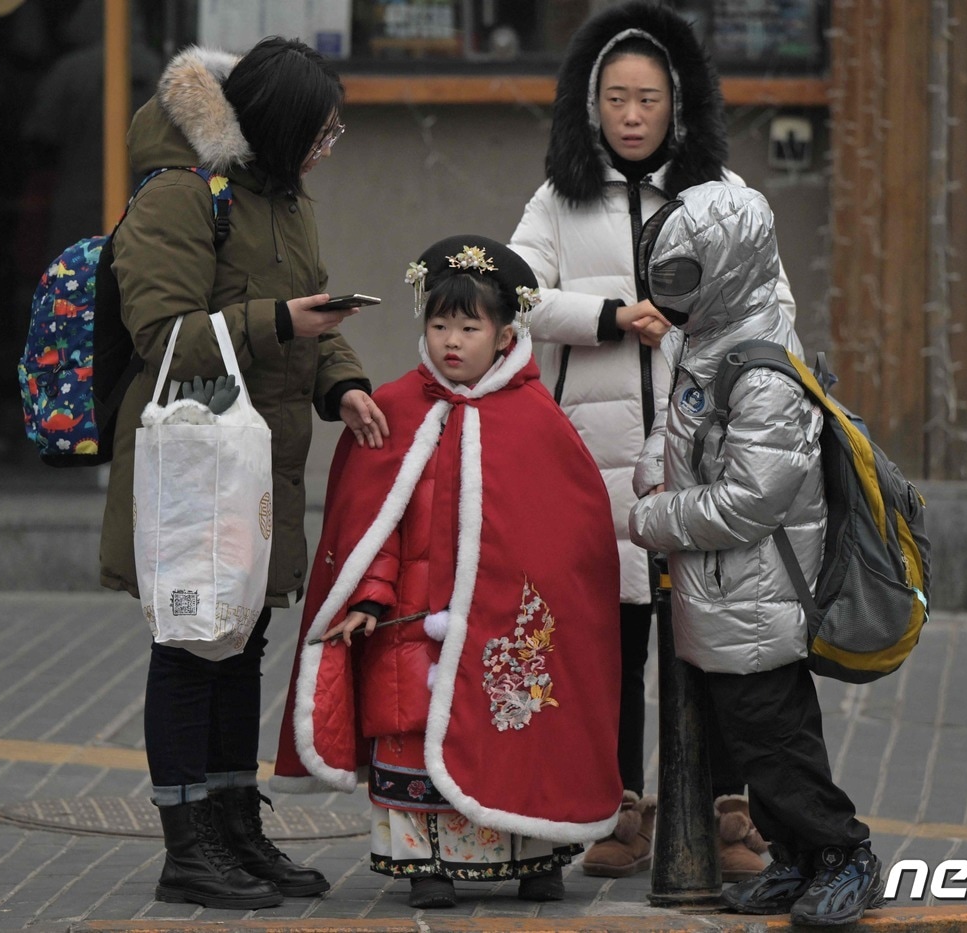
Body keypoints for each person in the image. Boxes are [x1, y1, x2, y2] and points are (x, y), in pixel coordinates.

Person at [506, 0, 797, 878]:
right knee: (612, 644)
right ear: (589, 105)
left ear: (680, 104)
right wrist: (603, 316)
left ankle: (728, 809)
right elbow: (511, 296)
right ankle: (618, 807)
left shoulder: (727, 198)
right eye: (616, 99)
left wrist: (688, 322)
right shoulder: (558, 198)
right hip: (591, 466)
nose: (632, 116)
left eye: (649, 99)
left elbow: (776, 311)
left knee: (715, 638)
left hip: (702, 462)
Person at [97, 40, 390, 910]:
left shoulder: (283, 200)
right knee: (192, 645)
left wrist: (346, 381)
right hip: (192, 465)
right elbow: (162, 335)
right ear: (277, 125)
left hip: (260, 463)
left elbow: (312, 309)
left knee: (242, 641)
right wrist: (277, 323)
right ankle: (186, 845)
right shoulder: (182, 199)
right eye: (320, 132)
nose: (326, 148)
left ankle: (233, 824)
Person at [271, 236, 624, 909]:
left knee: (521, 732)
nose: (452, 341)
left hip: (506, 632)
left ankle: (536, 852)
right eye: (439, 325)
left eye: (469, 327)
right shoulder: (396, 411)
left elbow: (569, 546)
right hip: (410, 623)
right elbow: (373, 522)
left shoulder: (538, 423)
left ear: (505, 333)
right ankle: (422, 864)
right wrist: (369, 597)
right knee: (409, 730)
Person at [628, 181, 883, 926]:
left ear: (727, 268)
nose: (668, 296)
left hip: (757, 592)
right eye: (662, 277)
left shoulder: (764, 370)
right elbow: (685, 429)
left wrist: (657, 515)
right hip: (721, 590)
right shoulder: (711, 334)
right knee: (748, 739)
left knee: (778, 742)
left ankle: (846, 855)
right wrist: (656, 465)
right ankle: (798, 860)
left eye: (681, 280)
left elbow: (751, 499)